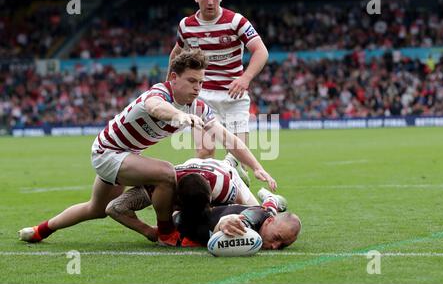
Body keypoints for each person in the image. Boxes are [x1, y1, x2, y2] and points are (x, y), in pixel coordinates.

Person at [18, 49, 277, 246]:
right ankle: (165, 232)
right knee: (166, 173)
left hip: (125, 155)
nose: (198, 88)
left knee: (95, 209)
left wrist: (257, 167)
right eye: (191, 81)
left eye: (200, 82)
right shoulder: (159, 94)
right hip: (108, 154)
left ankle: (40, 230)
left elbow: (227, 138)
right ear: (173, 78)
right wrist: (179, 117)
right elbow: (155, 109)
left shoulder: (198, 106)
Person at [168, 0, 269, 183]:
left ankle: (234, 186)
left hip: (235, 98)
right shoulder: (186, 26)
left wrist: (245, 78)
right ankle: (205, 199)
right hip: (203, 96)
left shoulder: (236, 21)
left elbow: (261, 51)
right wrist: (169, 89)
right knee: (205, 150)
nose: (211, 1)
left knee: (238, 158)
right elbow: (176, 55)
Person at [103, 157, 287, 243]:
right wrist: (149, 231)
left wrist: (227, 220)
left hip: (226, 174)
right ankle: (230, 161)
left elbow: (252, 211)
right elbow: (113, 208)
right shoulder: (160, 187)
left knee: (256, 213)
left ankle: (271, 198)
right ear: (177, 200)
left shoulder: (223, 188)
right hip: (192, 173)